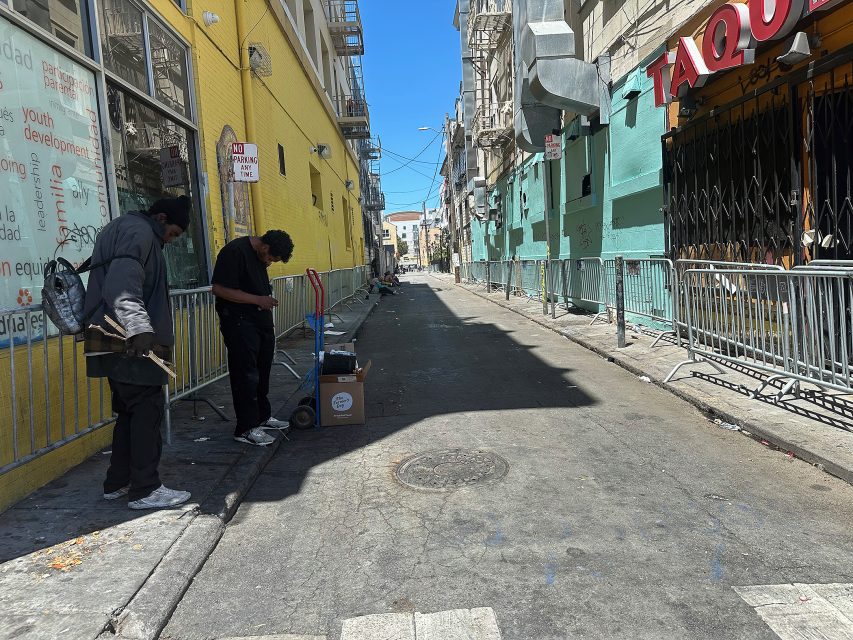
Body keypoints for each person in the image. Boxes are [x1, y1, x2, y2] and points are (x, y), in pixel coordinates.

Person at [83, 196, 192, 510]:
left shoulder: (119, 227)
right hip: (128, 337)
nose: (170, 242)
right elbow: (122, 284)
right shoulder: (141, 233)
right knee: (147, 410)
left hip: (108, 334)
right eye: (172, 234)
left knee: (129, 413)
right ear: (160, 218)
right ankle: (146, 489)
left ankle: (117, 482)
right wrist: (139, 327)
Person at [211, 231, 294, 446]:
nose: (269, 264)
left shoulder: (259, 257)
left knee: (262, 370)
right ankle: (246, 427)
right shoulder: (235, 252)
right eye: (270, 259)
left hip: (260, 321)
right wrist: (258, 299)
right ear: (265, 247)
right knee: (245, 374)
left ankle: (262, 416)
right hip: (239, 322)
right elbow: (219, 289)